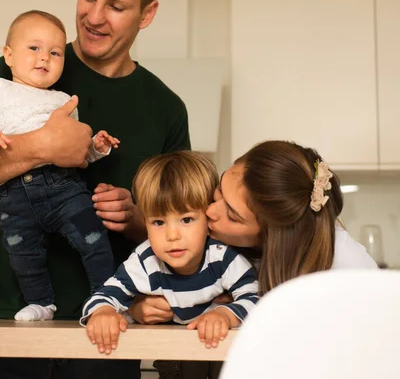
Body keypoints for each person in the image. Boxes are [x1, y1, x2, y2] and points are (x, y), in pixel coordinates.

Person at [0, 0, 190, 379]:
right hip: (6, 322)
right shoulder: (14, 70)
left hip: (106, 335)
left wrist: (141, 218)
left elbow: (187, 227)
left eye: (116, 6)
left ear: (148, 14)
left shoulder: (167, 109)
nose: (94, 17)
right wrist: (42, 148)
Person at [131, 140, 377, 328]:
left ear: (273, 237)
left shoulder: (349, 267)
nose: (210, 211)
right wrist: (137, 307)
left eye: (232, 215)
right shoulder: (207, 240)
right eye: (218, 191)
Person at [0, 10, 120, 322]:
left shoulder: (64, 100)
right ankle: (41, 303)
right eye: (34, 48)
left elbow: (78, 154)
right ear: (8, 55)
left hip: (62, 187)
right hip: (12, 196)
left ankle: (106, 298)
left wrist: (97, 147)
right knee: (23, 256)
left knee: (93, 239)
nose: (45, 58)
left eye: (55, 52)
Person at [81, 151, 258, 355]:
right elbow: (102, 297)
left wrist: (226, 315)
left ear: (207, 217)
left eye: (186, 220)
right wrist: (103, 312)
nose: (172, 235)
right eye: (158, 222)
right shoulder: (145, 260)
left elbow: (256, 298)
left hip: (219, 350)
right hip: (172, 352)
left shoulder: (221, 256)